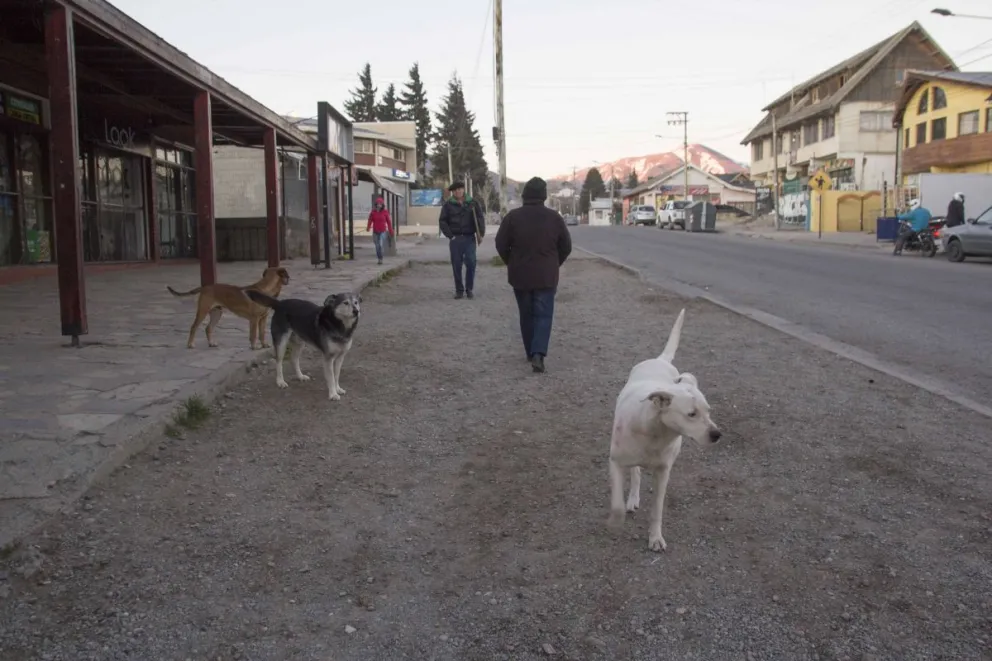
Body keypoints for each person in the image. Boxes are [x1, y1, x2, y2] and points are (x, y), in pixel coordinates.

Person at [494, 176, 572, 374]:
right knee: (544, 315)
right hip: (546, 275)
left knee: (526, 314)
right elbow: (566, 246)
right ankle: (538, 354)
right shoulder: (555, 218)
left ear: (525, 195)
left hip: (520, 275)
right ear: (544, 196)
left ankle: (530, 351)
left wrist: (511, 262)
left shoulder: (513, 217)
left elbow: (501, 244)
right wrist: (555, 263)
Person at [438, 181, 484, 299]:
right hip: (455, 239)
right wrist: (450, 236)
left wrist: (481, 233)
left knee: (471, 263)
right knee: (456, 265)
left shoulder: (472, 203)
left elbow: (480, 218)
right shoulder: (448, 205)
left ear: (464, 190)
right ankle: (459, 290)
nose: (458, 191)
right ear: (453, 192)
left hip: (469, 238)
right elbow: (442, 221)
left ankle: (469, 289)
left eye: (460, 189)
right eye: (456, 190)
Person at [366, 197, 393, 265]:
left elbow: (389, 222)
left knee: (380, 245)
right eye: (377, 204)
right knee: (377, 246)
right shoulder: (373, 212)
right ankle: (379, 258)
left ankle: (381, 258)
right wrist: (368, 227)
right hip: (375, 231)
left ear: (382, 205)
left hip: (382, 231)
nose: (379, 205)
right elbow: (370, 220)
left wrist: (390, 231)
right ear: (376, 205)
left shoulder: (385, 212)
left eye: (380, 204)